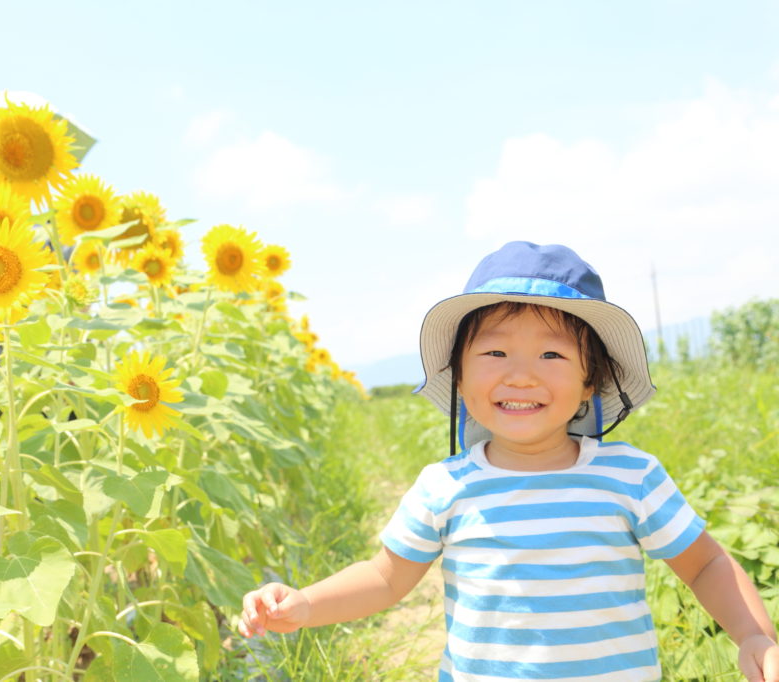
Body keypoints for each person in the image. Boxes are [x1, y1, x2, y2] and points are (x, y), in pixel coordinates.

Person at [239, 242, 779, 681]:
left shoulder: (630, 477)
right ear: (460, 374)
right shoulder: (444, 487)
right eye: (495, 353)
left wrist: (755, 634)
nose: (521, 375)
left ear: (591, 380)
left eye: (552, 354)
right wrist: (305, 604)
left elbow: (705, 563)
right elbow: (384, 578)